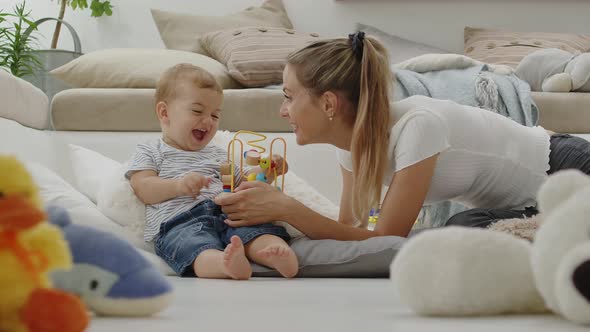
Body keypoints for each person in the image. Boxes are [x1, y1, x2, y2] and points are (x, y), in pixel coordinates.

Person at [214, 32, 590, 240]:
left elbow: (389, 238)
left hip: (568, 171)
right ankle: (556, 227)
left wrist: (289, 210)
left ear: (329, 104)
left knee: (454, 233)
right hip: (534, 200)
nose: (283, 111)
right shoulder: (352, 145)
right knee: (458, 234)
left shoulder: (417, 125)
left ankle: (559, 227)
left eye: (289, 97)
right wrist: (284, 209)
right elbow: (348, 230)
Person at [126, 64, 297, 280]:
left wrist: (268, 171)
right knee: (193, 246)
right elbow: (143, 187)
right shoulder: (151, 150)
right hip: (181, 221)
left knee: (255, 228)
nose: (208, 121)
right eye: (197, 111)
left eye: (215, 115)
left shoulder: (217, 154)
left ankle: (274, 252)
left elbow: (242, 182)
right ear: (164, 112)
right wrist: (178, 186)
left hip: (228, 214)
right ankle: (223, 264)